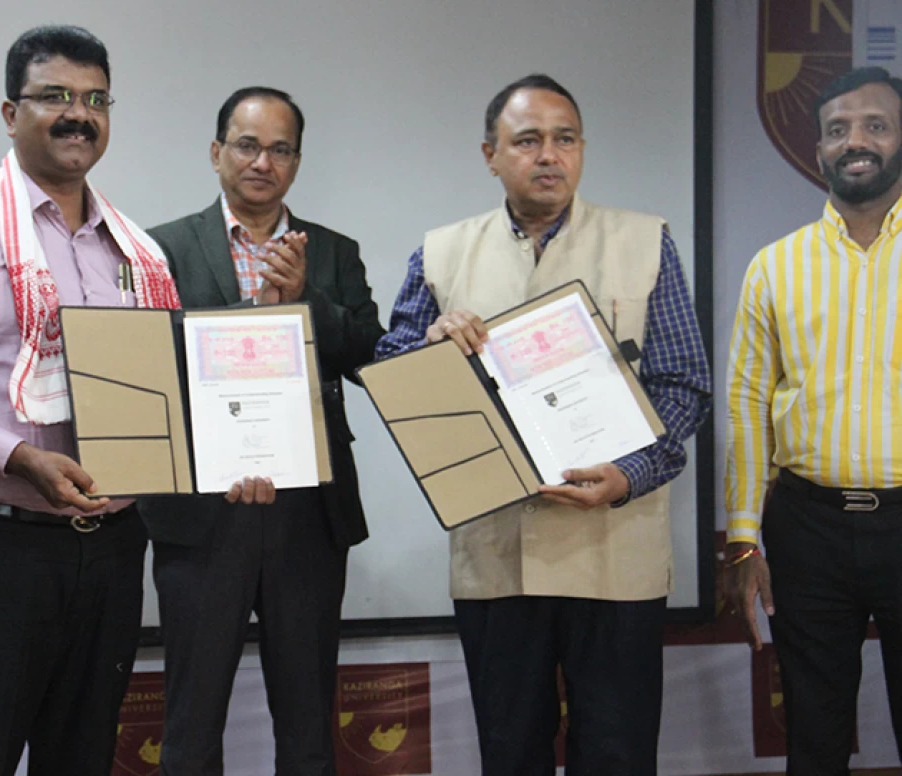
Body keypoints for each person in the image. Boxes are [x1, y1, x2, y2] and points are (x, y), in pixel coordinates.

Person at [0, 26, 271, 776]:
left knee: (84, 759)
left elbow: (167, 392)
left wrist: (227, 458)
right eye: (54, 96)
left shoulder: (137, 253)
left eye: (95, 99)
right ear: (9, 111)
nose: (77, 114)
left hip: (115, 549)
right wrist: (20, 457)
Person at [374, 73, 710, 775]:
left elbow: (684, 386)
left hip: (615, 550)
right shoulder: (441, 253)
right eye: (527, 140)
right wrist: (433, 346)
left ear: (582, 150)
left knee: (617, 754)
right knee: (510, 752)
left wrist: (630, 474)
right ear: (490, 154)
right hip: (498, 558)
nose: (548, 155)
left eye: (565, 139)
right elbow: (394, 379)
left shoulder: (646, 242)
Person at [141, 86, 384, 775]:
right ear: (217, 153)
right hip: (201, 514)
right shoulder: (159, 249)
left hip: (306, 515)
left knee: (308, 722)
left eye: (281, 149)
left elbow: (370, 356)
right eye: (247, 145)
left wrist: (307, 299)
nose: (262, 162)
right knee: (191, 722)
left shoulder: (333, 253)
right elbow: (149, 372)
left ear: (297, 162)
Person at [725, 66, 902, 775]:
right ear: (820, 150)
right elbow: (745, 404)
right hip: (808, 528)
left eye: (875, 126)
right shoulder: (774, 268)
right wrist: (743, 542)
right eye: (837, 130)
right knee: (815, 734)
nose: (855, 141)